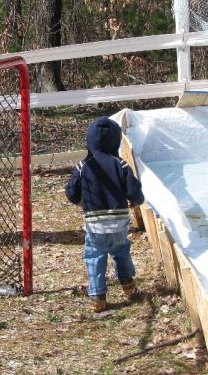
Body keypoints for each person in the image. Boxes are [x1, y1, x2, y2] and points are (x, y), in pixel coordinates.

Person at [65, 116, 145, 312]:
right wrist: (136, 200)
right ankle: (127, 282)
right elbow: (134, 189)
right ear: (116, 141)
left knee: (95, 257)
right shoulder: (121, 164)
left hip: (95, 225)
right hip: (118, 223)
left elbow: (72, 192)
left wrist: (79, 201)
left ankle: (97, 295)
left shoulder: (84, 166)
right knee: (121, 251)